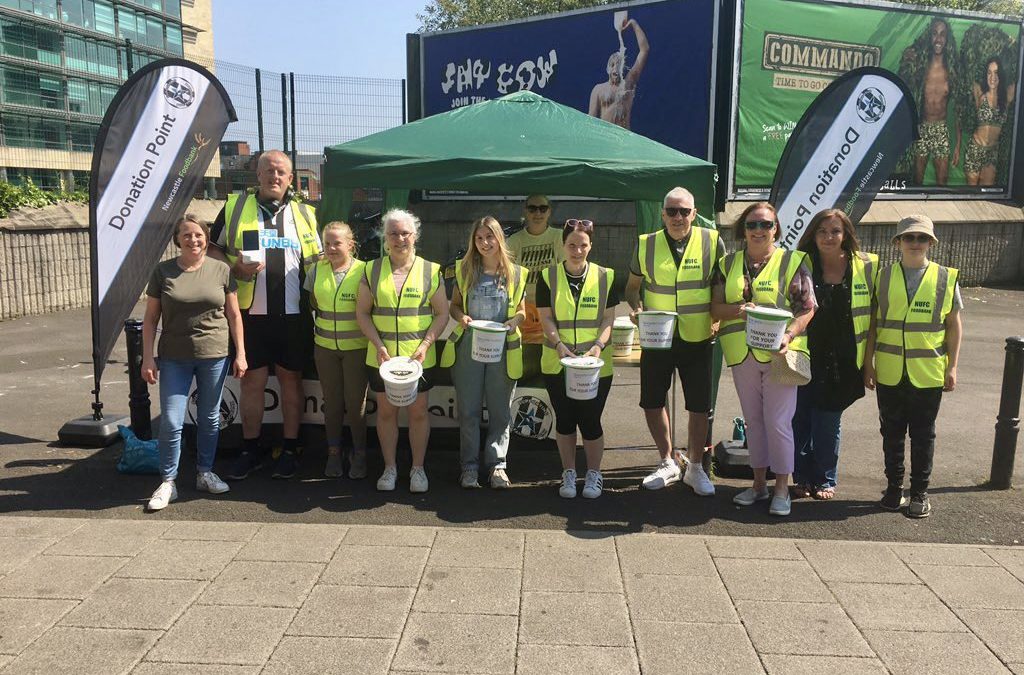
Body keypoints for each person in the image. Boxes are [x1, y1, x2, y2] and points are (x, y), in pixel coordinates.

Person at [209, 149, 322, 481]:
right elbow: (213, 248)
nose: (275, 177)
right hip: (249, 316)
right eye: (268, 171)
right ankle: (250, 450)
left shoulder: (307, 213)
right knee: (252, 384)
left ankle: (290, 449)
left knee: (291, 382)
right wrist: (234, 266)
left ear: (290, 179)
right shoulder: (234, 207)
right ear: (257, 175)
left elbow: (320, 260)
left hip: (293, 315)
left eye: (281, 172)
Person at [711, 202, 816, 517]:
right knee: (753, 421)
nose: (759, 231)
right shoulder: (727, 264)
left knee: (778, 422)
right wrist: (736, 310)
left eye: (766, 225)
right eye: (752, 225)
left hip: (780, 355)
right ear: (743, 229)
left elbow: (808, 307)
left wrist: (789, 336)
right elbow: (714, 309)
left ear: (776, 229)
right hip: (741, 353)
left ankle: (781, 487)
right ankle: (758, 485)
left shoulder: (791, 262)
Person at [141, 214, 247, 511]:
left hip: (214, 354)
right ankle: (168, 481)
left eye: (198, 235)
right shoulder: (163, 272)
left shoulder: (221, 270)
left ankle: (205, 472)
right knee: (172, 421)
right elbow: (150, 319)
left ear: (206, 237)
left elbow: (234, 315)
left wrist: (240, 353)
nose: (193, 240)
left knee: (210, 417)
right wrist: (148, 356)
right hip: (174, 357)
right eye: (186, 235)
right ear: (177, 240)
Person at [625, 187, 725, 496]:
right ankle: (667, 461)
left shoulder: (712, 241)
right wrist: (637, 309)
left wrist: (717, 317)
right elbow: (631, 288)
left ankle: (695, 467)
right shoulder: (646, 244)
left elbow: (719, 286)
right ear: (662, 214)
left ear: (695, 214)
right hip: (658, 337)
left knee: (698, 405)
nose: (678, 217)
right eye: (672, 211)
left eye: (684, 211)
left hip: (698, 336)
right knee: (652, 400)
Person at [864, 215, 962, 518]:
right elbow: (872, 325)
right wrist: (868, 364)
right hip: (891, 370)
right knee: (891, 433)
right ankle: (894, 488)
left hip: (928, 372)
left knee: (923, 435)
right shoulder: (883, 276)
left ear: (931, 243)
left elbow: (954, 326)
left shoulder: (945, 278)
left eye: (922, 238)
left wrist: (953, 367)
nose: (915, 243)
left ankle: (919, 491)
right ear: (898, 243)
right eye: (909, 238)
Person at [356, 209, 448, 493]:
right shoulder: (370, 270)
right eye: (393, 233)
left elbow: (442, 314)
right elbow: (362, 313)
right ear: (385, 237)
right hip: (382, 359)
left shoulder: (430, 270)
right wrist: (379, 346)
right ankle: (390, 468)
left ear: (415, 236)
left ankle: (418, 469)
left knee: (418, 412)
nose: (399, 239)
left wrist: (425, 346)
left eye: (405, 233)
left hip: (417, 359)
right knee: (385, 412)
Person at [792, 209, 878, 501]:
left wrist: (868, 364)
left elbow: (874, 317)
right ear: (813, 235)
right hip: (804, 353)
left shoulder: (865, 266)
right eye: (822, 231)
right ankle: (801, 476)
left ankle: (825, 478)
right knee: (800, 417)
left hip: (842, 359)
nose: (829, 237)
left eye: (835, 231)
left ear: (846, 235)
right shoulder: (799, 262)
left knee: (827, 420)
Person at [442, 216, 528, 489]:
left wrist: (515, 321)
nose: (484, 243)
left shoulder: (516, 273)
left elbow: (523, 311)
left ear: (499, 239)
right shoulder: (465, 270)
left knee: (501, 411)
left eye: (489, 237)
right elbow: (454, 306)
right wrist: (461, 317)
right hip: (470, 347)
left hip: (503, 349)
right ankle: (469, 468)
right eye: (479, 238)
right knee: (468, 411)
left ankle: (497, 466)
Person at [537, 219, 617, 499]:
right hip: (557, 362)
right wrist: (558, 345)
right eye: (572, 245)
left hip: (595, 365)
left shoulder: (607, 276)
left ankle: (594, 473)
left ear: (591, 245)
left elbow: (609, 319)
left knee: (591, 420)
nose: (577, 250)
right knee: (565, 420)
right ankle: (569, 472)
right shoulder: (548, 276)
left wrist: (597, 346)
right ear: (563, 246)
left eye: (583, 245)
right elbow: (545, 316)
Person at [305, 222, 369, 479]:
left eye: (337, 243)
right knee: (331, 403)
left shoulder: (365, 271)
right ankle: (334, 452)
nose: (331, 248)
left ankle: (360, 453)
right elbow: (311, 303)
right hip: (325, 348)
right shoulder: (315, 271)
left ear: (350, 244)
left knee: (355, 405)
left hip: (356, 349)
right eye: (327, 243)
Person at [507, 195, 564, 376]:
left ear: (549, 211)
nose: (537, 213)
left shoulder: (559, 237)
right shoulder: (514, 241)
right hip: (523, 311)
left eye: (542, 208)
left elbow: (564, 271)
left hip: (550, 308)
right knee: (523, 363)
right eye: (532, 208)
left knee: (549, 361)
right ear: (525, 211)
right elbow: (507, 276)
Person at [903, 18, 960, 186]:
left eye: (942, 34)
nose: (938, 39)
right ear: (930, 37)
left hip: (940, 129)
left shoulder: (952, 71)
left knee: (942, 181)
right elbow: (907, 87)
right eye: (935, 33)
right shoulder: (920, 66)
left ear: (947, 39)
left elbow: (958, 109)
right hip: (921, 127)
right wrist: (906, 59)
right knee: (917, 180)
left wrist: (957, 145)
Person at [588, 14, 649, 129]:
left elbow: (644, 50)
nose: (616, 68)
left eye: (619, 64)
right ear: (608, 68)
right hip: (604, 138)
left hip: (624, 140)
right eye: (613, 65)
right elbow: (590, 119)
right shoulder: (598, 89)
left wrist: (633, 23)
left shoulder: (628, 84)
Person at [965, 57, 1016, 186]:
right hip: (975, 150)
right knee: (971, 196)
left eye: (996, 72)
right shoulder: (979, 92)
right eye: (989, 72)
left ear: (1001, 75)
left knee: (985, 197)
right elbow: (967, 69)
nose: (992, 77)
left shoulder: (1007, 95)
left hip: (992, 153)